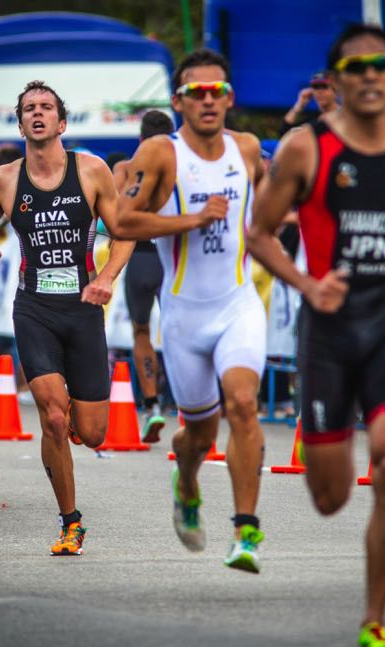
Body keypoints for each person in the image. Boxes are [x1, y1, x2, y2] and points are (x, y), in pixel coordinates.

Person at [246, 24, 385, 647]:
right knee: (330, 495)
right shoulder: (304, 150)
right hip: (329, 330)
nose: (370, 76)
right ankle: (331, 478)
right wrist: (309, 286)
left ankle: (376, 620)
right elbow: (260, 235)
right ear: (336, 80)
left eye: (382, 65)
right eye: (356, 66)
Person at [113, 50, 269, 573]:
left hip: (239, 303)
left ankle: (245, 531)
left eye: (216, 91)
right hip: (182, 317)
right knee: (199, 434)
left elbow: (266, 215)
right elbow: (122, 222)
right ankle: (186, 480)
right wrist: (192, 220)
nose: (208, 101)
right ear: (178, 100)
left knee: (244, 405)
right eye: (196, 93)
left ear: (229, 98)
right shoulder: (161, 154)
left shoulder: (247, 149)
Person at [0, 80, 135, 555]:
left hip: (82, 310)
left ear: (62, 122)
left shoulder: (92, 170)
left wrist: (104, 276)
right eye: (29, 109)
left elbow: (125, 235)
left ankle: (79, 424)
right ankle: (71, 521)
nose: (37, 114)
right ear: (20, 124)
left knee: (94, 432)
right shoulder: (3, 179)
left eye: (46, 108)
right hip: (34, 308)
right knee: (53, 417)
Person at [111, 109, 175, 442]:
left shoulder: (125, 168)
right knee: (179, 332)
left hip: (139, 257)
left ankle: (152, 405)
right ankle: (189, 406)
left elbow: (115, 215)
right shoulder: (179, 165)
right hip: (171, 256)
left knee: (141, 330)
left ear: (140, 139)